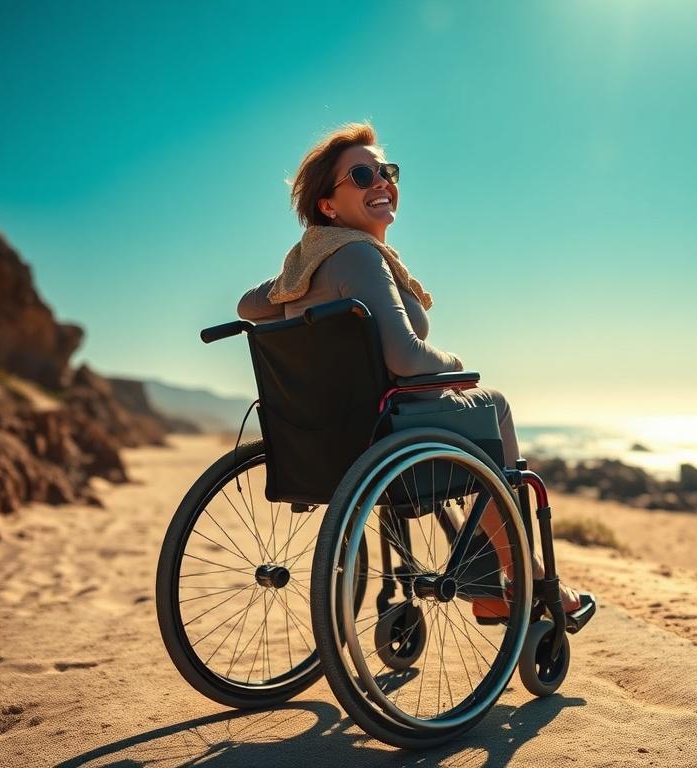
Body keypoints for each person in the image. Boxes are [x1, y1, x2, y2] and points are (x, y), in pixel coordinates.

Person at [237, 122, 594, 629]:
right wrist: (452, 367)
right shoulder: (358, 255)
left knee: (475, 418)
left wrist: (300, 274)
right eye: (361, 175)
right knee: (494, 406)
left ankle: (497, 578)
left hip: (321, 442)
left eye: (386, 171)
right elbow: (404, 357)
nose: (380, 181)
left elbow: (248, 305)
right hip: (383, 433)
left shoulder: (314, 260)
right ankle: (517, 578)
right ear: (328, 205)